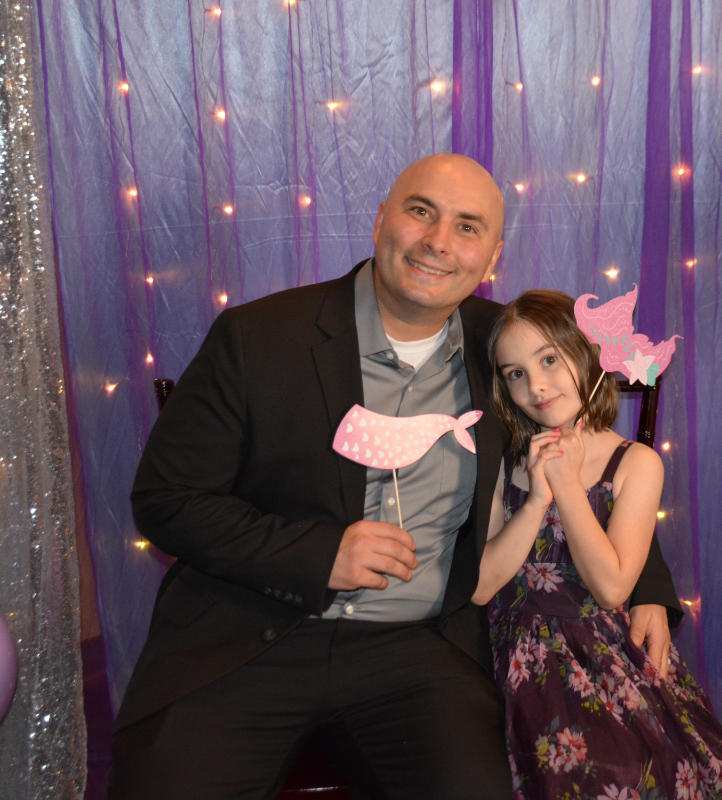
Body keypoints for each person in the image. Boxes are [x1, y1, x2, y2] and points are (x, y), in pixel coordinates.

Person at [112, 154, 683, 799]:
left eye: (467, 227)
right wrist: (317, 554)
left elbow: (587, 450)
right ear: (382, 218)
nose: (439, 241)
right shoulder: (258, 336)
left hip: (420, 648)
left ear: (491, 256)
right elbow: (166, 499)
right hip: (251, 633)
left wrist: (647, 586)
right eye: (420, 211)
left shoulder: (506, 346)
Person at [474, 290, 722, 800]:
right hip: (512, 656)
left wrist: (566, 487)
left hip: (601, 650)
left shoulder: (636, 463)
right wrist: (537, 497)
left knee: (628, 769)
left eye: (549, 360)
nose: (536, 385)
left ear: (589, 355)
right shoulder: (505, 460)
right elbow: (480, 586)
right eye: (515, 373)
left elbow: (611, 589)